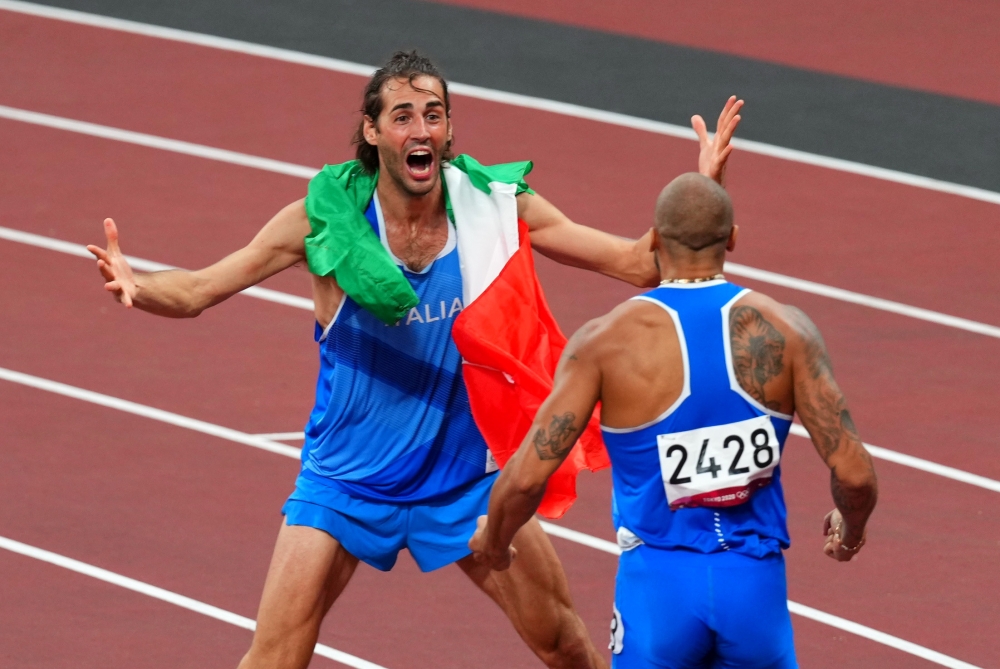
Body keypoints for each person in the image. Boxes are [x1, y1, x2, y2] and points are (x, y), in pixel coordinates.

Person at [88, 50, 742, 669]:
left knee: (566, 646)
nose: (420, 127)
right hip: (345, 482)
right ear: (373, 131)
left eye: (433, 113)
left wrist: (703, 196)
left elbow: (638, 264)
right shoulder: (323, 223)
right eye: (402, 115)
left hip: (463, 483)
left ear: (449, 128)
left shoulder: (494, 207)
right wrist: (140, 286)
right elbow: (200, 289)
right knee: (274, 657)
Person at [469, 172, 879, 668]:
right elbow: (855, 475)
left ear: (655, 239)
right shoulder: (787, 331)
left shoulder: (604, 342)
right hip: (754, 588)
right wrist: (850, 528)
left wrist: (494, 543)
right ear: (732, 238)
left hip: (658, 591)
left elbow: (528, 476)